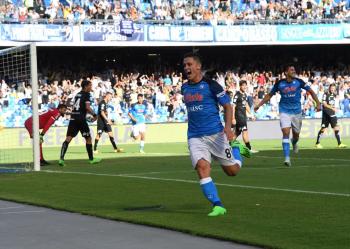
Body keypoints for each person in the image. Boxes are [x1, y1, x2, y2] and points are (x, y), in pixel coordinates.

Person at [181, 52, 250, 217]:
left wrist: (227, 128)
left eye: (189, 64)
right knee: (202, 168)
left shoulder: (212, 85)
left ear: (198, 66)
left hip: (216, 135)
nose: (186, 68)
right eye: (184, 65)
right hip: (195, 136)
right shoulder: (184, 87)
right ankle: (218, 205)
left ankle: (236, 149)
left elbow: (227, 106)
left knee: (232, 171)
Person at [254, 65, 321, 167]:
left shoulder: (299, 82)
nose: (294, 71)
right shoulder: (280, 84)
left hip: (297, 112)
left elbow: (311, 91)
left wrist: (318, 103)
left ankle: (294, 142)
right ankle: (287, 158)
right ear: (286, 72)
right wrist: (259, 105)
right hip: (284, 111)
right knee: (285, 132)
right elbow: (269, 95)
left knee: (296, 134)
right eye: (291, 70)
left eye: (294, 69)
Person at [59, 80, 101, 166]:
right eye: (90, 85)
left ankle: (61, 159)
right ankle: (91, 159)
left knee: (68, 138)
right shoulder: (87, 95)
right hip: (81, 119)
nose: (91, 87)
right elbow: (87, 107)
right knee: (88, 138)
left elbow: (75, 106)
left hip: (73, 118)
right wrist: (94, 115)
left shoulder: (77, 94)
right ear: (85, 86)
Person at [315, 84, 347, 148]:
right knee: (324, 128)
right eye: (331, 88)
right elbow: (324, 104)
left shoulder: (334, 95)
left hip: (332, 113)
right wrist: (332, 108)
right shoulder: (325, 94)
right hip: (326, 113)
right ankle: (317, 143)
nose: (332, 89)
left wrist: (335, 107)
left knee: (336, 127)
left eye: (333, 88)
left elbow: (334, 103)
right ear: (329, 88)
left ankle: (339, 143)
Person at [231, 80, 258, 153]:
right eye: (243, 85)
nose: (244, 87)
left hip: (243, 116)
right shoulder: (237, 95)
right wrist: (233, 118)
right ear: (240, 86)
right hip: (239, 117)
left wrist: (251, 115)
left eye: (245, 85)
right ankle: (249, 148)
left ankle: (226, 146)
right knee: (245, 132)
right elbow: (233, 106)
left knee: (237, 133)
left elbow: (246, 105)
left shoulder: (245, 95)